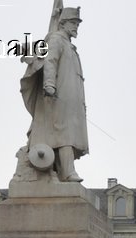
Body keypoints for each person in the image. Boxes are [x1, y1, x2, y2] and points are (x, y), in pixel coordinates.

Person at [19, 1, 86, 183]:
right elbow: (50, 62)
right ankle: (68, 172)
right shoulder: (56, 39)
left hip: (69, 99)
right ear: (63, 23)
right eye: (73, 23)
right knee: (64, 134)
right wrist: (49, 84)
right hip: (57, 97)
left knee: (67, 132)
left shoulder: (69, 45)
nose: (76, 27)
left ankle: (63, 171)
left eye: (77, 24)